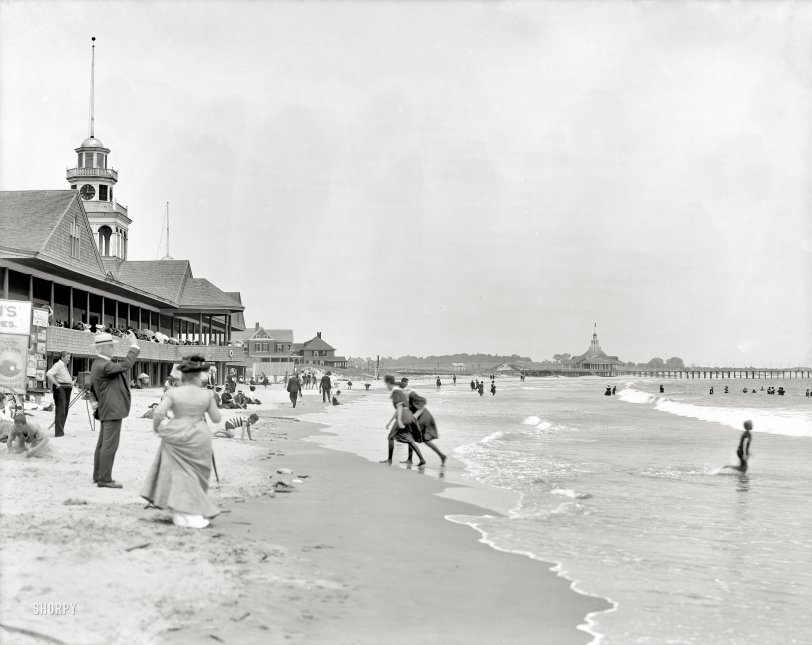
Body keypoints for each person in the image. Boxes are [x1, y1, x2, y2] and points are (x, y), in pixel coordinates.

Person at [141, 355, 221, 528]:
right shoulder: (207, 394)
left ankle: (177, 509)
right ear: (199, 376)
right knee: (197, 474)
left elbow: (158, 413)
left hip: (176, 433)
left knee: (175, 473)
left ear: (183, 376)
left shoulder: (173, 393)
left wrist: (157, 428)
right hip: (199, 434)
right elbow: (216, 418)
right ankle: (192, 510)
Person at [88, 331, 140, 489]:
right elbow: (126, 365)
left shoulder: (98, 364)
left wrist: (95, 401)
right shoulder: (105, 365)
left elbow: (92, 388)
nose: (112, 349)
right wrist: (134, 346)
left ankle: (98, 476)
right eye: (110, 346)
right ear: (102, 348)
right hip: (112, 409)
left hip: (106, 408)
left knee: (103, 444)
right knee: (109, 445)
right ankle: (104, 479)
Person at [380, 375, 425, 466]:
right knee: (408, 439)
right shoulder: (400, 391)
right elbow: (399, 408)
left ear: (389, 383)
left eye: (386, 384)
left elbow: (400, 406)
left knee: (391, 437)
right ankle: (420, 459)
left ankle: (389, 460)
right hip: (409, 415)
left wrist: (399, 421)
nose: (386, 387)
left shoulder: (395, 392)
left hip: (404, 416)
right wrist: (390, 421)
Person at [45, 351, 72, 437]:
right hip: (61, 389)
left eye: (69, 357)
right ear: (63, 357)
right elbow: (48, 374)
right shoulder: (58, 364)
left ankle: (61, 431)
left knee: (65, 411)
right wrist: (57, 384)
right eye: (68, 357)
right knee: (60, 410)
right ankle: (59, 433)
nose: (69, 359)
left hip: (67, 389)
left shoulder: (64, 366)